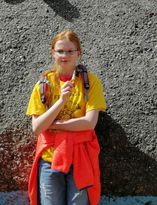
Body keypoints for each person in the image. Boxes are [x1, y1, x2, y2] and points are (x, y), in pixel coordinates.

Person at [27, 30, 106, 205]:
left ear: (79, 53)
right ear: (52, 53)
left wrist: (53, 124)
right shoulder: (44, 84)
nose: (65, 55)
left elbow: (89, 123)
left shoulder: (90, 82)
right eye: (60, 51)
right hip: (49, 158)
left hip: (80, 156)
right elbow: (37, 128)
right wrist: (61, 100)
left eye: (70, 51)